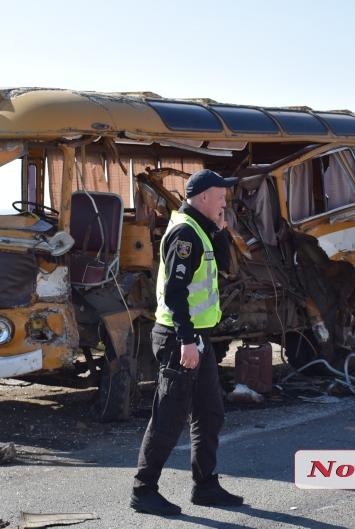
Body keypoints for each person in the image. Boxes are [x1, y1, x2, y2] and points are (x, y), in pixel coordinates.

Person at [130, 169, 243, 516]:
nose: (225, 202)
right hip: (181, 339)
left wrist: (220, 230)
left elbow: (225, 267)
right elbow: (175, 294)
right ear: (204, 197)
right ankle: (143, 491)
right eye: (220, 197)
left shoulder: (202, 231)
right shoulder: (184, 234)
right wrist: (187, 340)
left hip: (198, 339)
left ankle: (205, 486)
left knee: (210, 413)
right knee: (169, 417)